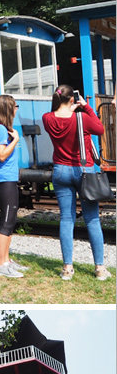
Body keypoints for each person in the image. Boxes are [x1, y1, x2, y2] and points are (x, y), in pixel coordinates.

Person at [42, 84, 110, 281]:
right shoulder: (83, 118)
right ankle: (99, 268)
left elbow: (56, 115)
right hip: (84, 171)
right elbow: (100, 129)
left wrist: (67, 107)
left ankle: (67, 268)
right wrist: (86, 107)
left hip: (61, 171)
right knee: (92, 219)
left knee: (66, 219)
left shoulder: (48, 119)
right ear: (73, 99)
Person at [0, 94, 27, 279]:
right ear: (6, 108)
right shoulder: (0, 130)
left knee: (10, 221)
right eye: (14, 105)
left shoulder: (1, 129)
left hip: (6, 179)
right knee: (5, 222)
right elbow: (1, 155)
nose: (16, 109)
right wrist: (16, 141)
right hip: (4, 180)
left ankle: (7, 261)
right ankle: (0, 264)